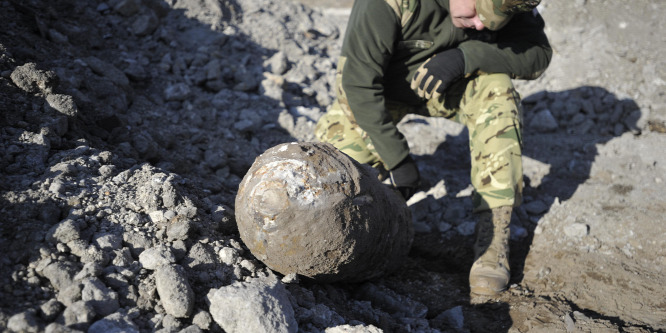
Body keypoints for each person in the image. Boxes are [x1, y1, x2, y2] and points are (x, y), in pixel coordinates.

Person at [314, 0, 551, 296]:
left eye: (489, 23)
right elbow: (357, 84)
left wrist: (467, 56)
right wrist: (397, 159)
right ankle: (334, 235)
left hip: (454, 86)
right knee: (329, 171)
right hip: (383, 93)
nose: (479, 25)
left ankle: (493, 238)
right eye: (475, 13)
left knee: (498, 92)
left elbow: (538, 55)